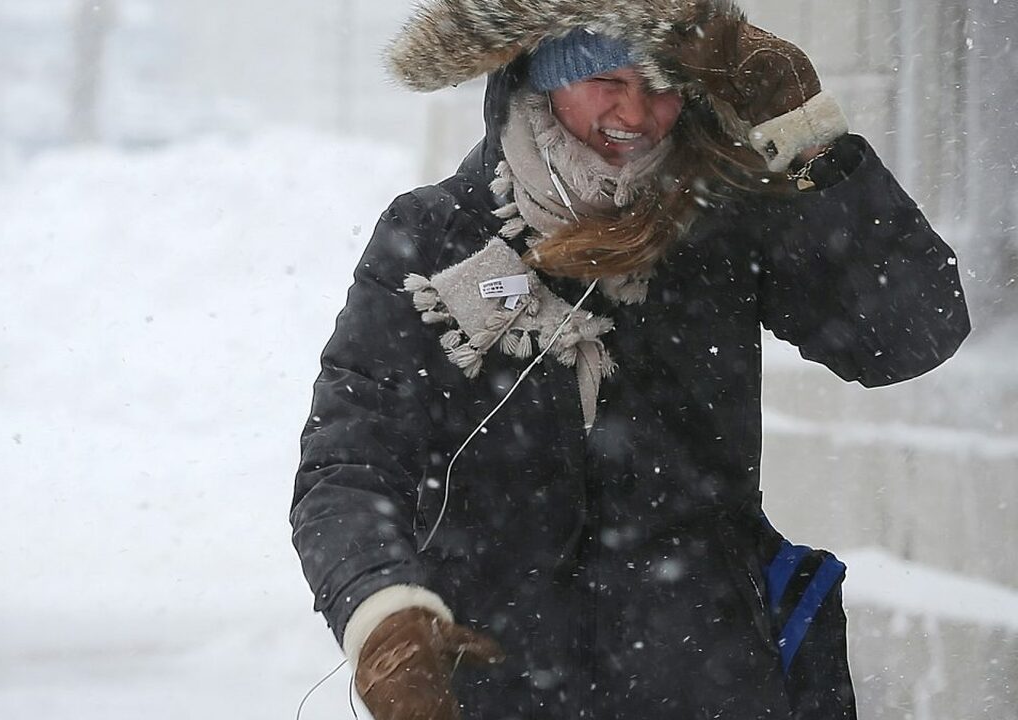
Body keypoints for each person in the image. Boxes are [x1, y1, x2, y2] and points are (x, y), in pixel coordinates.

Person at [290, 1, 970, 718]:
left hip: (709, 684)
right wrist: (384, 615)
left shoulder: (722, 224)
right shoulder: (435, 235)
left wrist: (806, 134)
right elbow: (349, 464)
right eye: (606, 79)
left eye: (663, 84)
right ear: (542, 73)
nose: (636, 114)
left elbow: (908, 332)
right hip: (498, 692)